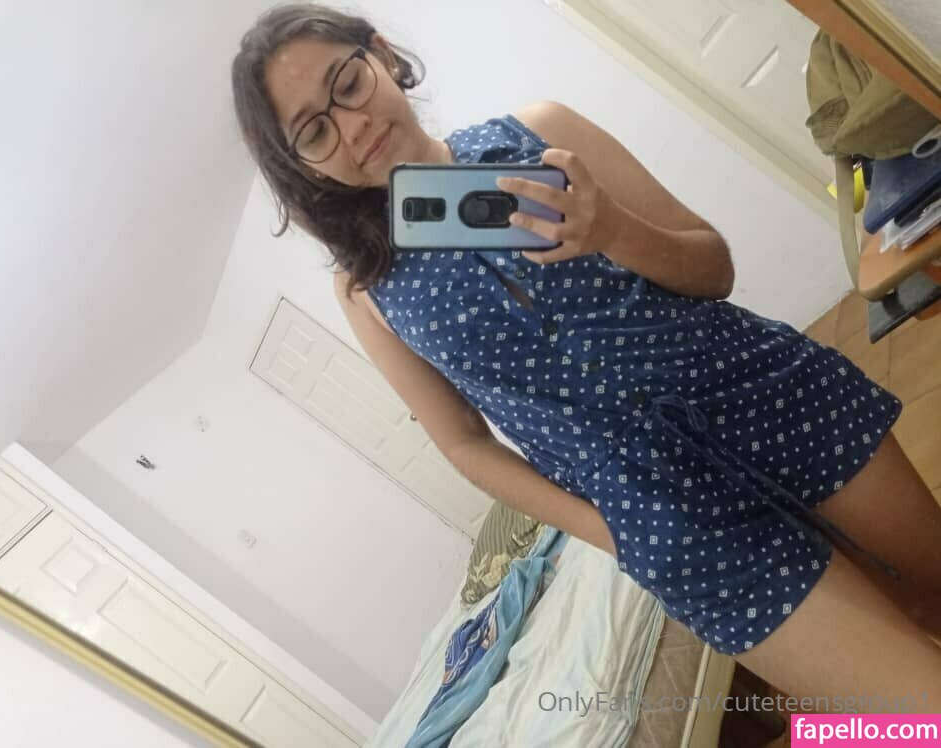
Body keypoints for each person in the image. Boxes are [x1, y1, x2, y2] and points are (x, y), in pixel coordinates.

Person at [231, 2, 941, 712]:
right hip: (666, 516)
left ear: (381, 54)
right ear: (303, 166)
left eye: (347, 84)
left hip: (765, 395)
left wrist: (611, 229)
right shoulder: (365, 292)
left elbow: (713, 267)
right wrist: (612, 531)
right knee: (917, 713)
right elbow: (464, 444)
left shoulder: (541, 133)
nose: (351, 127)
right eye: (314, 132)